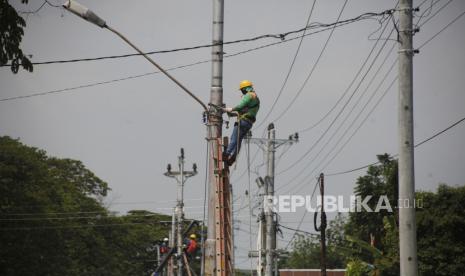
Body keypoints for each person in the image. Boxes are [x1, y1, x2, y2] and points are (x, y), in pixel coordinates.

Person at [223, 80, 260, 165]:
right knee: (238, 141)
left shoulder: (249, 96)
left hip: (243, 122)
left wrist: (231, 109)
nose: (242, 92)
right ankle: (232, 158)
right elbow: (243, 111)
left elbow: (240, 106)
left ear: (245, 88)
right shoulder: (255, 98)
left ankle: (226, 154)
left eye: (242, 89)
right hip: (248, 123)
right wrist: (230, 113)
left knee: (234, 138)